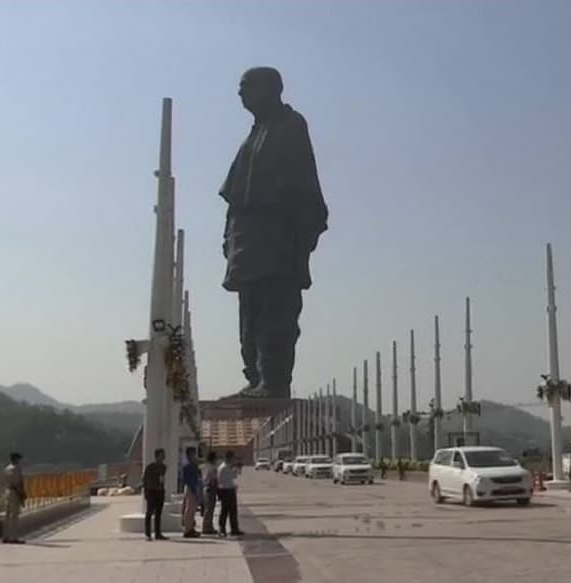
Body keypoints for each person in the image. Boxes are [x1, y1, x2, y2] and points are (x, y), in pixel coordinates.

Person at [219, 67, 329, 400]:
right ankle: (255, 378)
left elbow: (301, 188)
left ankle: (273, 381)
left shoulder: (290, 126)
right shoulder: (254, 134)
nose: (240, 95)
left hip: (277, 239)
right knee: (249, 318)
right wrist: (229, 236)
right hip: (248, 243)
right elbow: (236, 195)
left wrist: (299, 237)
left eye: (246, 87)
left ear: (271, 89)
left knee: (275, 315)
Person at [142, 448, 168, 541]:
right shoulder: (150, 467)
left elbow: (162, 479)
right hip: (152, 491)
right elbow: (145, 480)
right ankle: (147, 534)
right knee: (149, 512)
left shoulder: (164, 467)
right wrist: (146, 491)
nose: (164, 456)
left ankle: (158, 533)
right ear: (157, 456)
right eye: (162, 454)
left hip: (160, 490)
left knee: (158, 513)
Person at [217, 451, 243, 537]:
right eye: (232, 458)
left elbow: (234, 476)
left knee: (232, 511)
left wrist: (236, 469)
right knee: (225, 511)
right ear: (229, 458)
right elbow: (230, 478)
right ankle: (222, 528)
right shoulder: (224, 467)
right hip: (226, 491)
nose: (233, 460)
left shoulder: (227, 467)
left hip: (229, 490)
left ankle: (234, 529)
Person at [2, 452, 26, 544]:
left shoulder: (7, 468)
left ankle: (6, 536)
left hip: (7, 492)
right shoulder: (16, 469)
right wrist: (22, 494)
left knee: (7, 515)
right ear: (16, 459)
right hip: (14, 492)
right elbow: (17, 483)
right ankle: (14, 537)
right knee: (14, 515)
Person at [181, 447, 201, 538]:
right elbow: (186, 479)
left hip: (194, 487)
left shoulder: (194, 465)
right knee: (189, 509)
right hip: (190, 487)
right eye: (193, 454)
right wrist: (193, 489)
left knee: (193, 509)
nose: (194, 456)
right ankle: (187, 529)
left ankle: (191, 527)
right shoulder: (187, 466)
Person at [201, 451, 219, 535]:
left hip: (206, 488)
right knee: (209, 509)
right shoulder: (212, 468)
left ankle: (209, 526)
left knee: (209, 509)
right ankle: (206, 527)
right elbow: (213, 479)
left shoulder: (204, 466)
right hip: (210, 488)